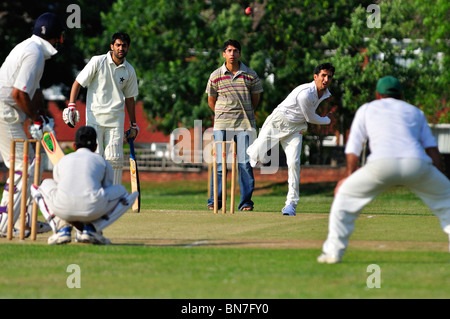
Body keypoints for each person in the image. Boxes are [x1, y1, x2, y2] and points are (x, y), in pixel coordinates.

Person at [318, 76, 450, 264]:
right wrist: (440, 179)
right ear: (401, 95)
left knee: (344, 200)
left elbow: (353, 148)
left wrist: (348, 178)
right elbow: (432, 149)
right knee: (448, 201)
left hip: (381, 164)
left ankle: (333, 253)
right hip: (416, 163)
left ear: (377, 95)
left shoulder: (367, 109)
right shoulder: (415, 112)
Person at [0, 12, 64, 237]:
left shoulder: (31, 48)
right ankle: (4, 223)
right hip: (4, 111)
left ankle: (24, 222)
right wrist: (34, 119)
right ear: (57, 37)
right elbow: (18, 94)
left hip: (8, 111)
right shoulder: (34, 53)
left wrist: (42, 114)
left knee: (27, 165)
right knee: (23, 167)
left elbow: (33, 90)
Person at [247, 63, 336, 216]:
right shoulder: (305, 93)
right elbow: (310, 117)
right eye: (323, 75)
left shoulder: (326, 93)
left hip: (295, 129)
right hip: (278, 121)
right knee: (255, 154)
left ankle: (290, 204)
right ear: (315, 77)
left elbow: (306, 118)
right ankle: (249, 151)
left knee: (294, 163)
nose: (326, 79)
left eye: (329, 76)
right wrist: (327, 120)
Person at [31, 126, 139, 245]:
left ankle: (61, 228)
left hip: (62, 208)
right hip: (93, 209)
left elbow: (58, 185)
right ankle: (92, 229)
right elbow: (107, 188)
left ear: (74, 146)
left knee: (41, 185)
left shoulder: (63, 160)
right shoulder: (102, 161)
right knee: (122, 191)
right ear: (95, 147)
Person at [64, 32, 139, 185]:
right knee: (95, 157)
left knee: (115, 159)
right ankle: (92, 192)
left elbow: (130, 99)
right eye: (118, 45)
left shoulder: (129, 70)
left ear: (128, 48)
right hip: (95, 117)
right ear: (112, 46)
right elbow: (78, 83)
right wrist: (71, 105)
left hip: (116, 120)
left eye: (124, 46)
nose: (121, 48)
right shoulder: (98, 61)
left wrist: (133, 124)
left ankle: (112, 198)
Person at [206, 39, 263, 211]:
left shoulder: (250, 75)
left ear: (240, 54)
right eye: (229, 50)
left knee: (245, 163)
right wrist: (223, 115)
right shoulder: (216, 75)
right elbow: (211, 101)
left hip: (245, 125)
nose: (232, 54)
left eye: (235, 50)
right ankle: (215, 201)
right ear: (224, 54)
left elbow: (255, 100)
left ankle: (246, 202)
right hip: (222, 126)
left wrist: (244, 114)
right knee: (220, 164)